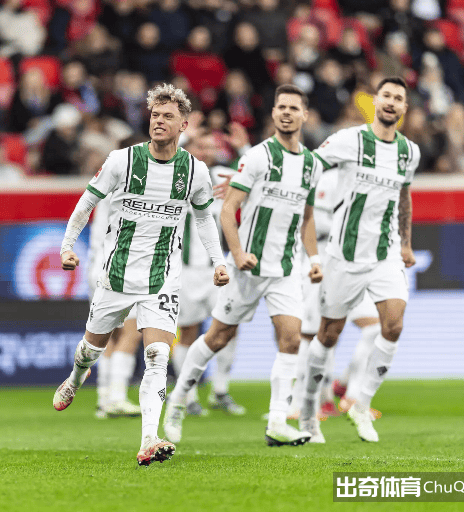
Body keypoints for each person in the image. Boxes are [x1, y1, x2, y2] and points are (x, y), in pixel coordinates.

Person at [54, 83, 229, 466]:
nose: (159, 121)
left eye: (167, 116)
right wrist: (67, 246)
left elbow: (203, 219)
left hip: (162, 278)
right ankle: (76, 377)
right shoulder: (122, 161)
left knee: (157, 355)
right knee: (91, 349)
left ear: (183, 125)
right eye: (154, 115)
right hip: (116, 275)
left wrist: (219, 260)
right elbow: (86, 203)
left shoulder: (194, 171)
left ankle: (150, 437)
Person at [164, 84, 323, 447]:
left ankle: (278, 421)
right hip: (248, 267)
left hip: (285, 268)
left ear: (304, 115)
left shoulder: (312, 164)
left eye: (293, 108)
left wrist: (314, 258)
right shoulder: (257, 157)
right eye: (281, 107)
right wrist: (237, 254)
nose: (287, 113)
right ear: (274, 114)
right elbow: (227, 209)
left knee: (291, 338)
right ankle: (178, 399)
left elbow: (308, 216)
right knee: (217, 337)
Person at [298, 76, 420, 443]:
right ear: (376, 102)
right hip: (343, 255)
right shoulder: (348, 140)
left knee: (393, 326)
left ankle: (361, 405)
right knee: (328, 334)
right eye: (386, 95)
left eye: (398, 98)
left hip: (385, 254)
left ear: (404, 108)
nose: (391, 102)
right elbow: (309, 166)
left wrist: (406, 244)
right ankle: (308, 411)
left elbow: (403, 196)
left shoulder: (409, 152)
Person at [286, 166, 382, 427]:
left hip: (353, 265)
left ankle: (350, 395)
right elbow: (313, 222)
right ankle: (299, 402)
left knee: (375, 327)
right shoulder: (326, 180)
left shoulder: (368, 182)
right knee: (312, 333)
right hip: (322, 262)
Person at [173, 128, 246, 417]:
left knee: (230, 326)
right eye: (200, 146)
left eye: (211, 147)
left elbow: (256, 178)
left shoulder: (223, 176)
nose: (206, 152)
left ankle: (220, 390)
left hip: (218, 268)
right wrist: (181, 137)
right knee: (188, 330)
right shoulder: (177, 175)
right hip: (185, 269)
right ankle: (188, 395)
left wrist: (243, 150)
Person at [87, 185, 142, 420]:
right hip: (120, 264)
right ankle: (117, 397)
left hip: (97, 264)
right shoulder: (133, 186)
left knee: (107, 334)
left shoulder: (107, 186)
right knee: (131, 332)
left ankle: (104, 398)